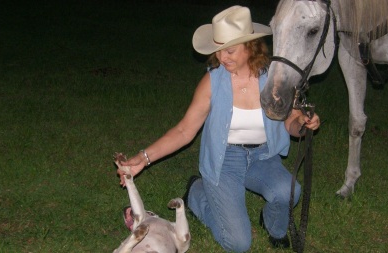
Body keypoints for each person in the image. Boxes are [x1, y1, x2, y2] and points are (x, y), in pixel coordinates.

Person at [117, 5, 321, 252]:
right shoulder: (212, 82)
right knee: (238, 243)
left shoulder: (274, 78)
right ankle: (196, 193)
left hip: (264, 157)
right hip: (225, 161)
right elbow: (184, 131)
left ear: (250, 46)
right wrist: (143, 158)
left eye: (230, 50)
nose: (223, 57)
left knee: (289, 192)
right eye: (219, 50)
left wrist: (304, 123)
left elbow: (291, 122)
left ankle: (272, 226)